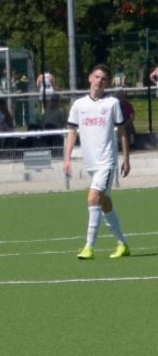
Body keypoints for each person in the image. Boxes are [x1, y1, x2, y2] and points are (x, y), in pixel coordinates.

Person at [63, 64, 131, 261]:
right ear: (90, 78)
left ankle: (89, 247)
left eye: (104, 78)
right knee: (105, 203)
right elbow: (72, 133)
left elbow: (122, 132)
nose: (100, 81)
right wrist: (67, 158)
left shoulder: (112, 103)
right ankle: (122, 244)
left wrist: (126, 158)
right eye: (97, 77)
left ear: (107, 83)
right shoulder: (79, 105)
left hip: (107, 162)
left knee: (93, 198)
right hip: (90, 163)